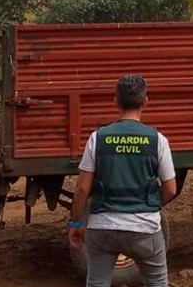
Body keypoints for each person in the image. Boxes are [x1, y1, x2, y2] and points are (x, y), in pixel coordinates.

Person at [69, 75, 178, 287]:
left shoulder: (97, 138)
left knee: (97, 282)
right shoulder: (158, 140)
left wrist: (76, 223)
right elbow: (171, 189)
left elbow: (82, 189)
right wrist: (150, 206)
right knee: (158, 283)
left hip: (102, 229)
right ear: (145, 101)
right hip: (145, 229)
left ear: (115, 101)